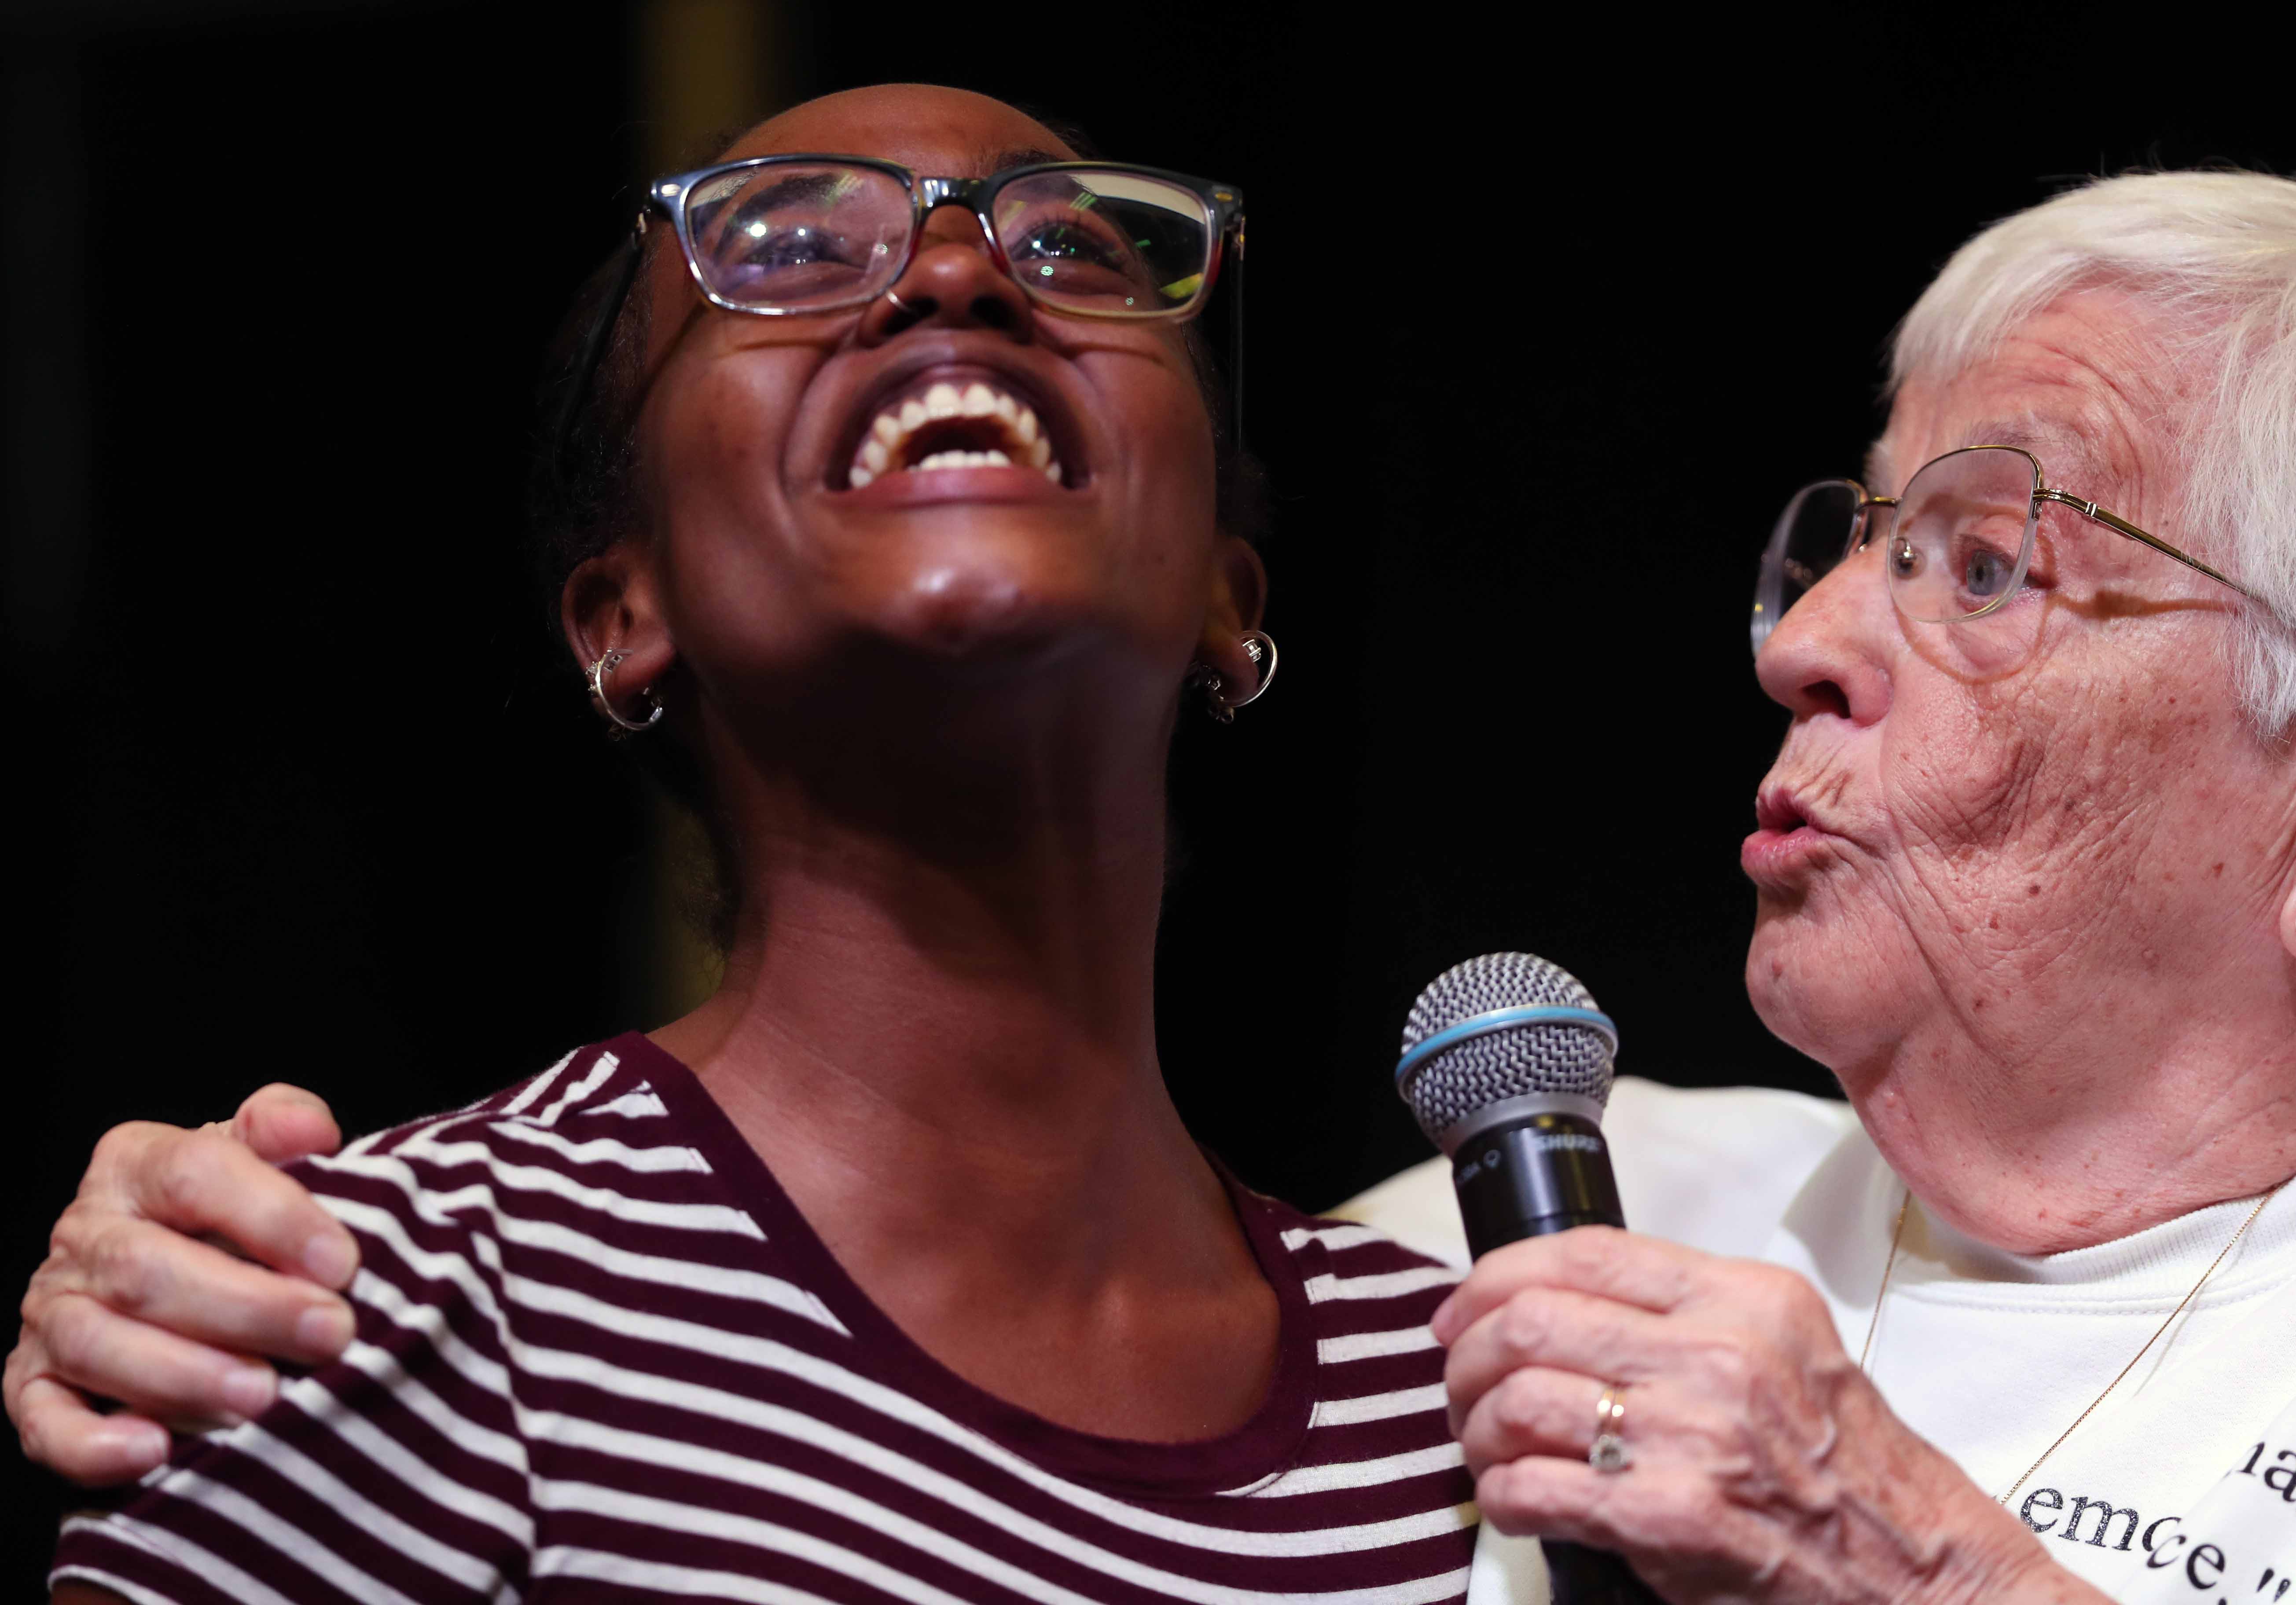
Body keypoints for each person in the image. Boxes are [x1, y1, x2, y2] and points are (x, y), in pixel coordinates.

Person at [16, 168, 2296, 1601]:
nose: (1799, 642)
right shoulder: (1517, 1250)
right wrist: (203, 1275)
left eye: (1992, 561)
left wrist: (1926, 1570)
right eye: (1849, 542)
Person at [27, 81, 1494, 1603]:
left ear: (1227, 597)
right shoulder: (364, 1300)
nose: (953, 275)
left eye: (1073, 252)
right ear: (625, 617)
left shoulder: (1472, 1399)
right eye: (794, 248)